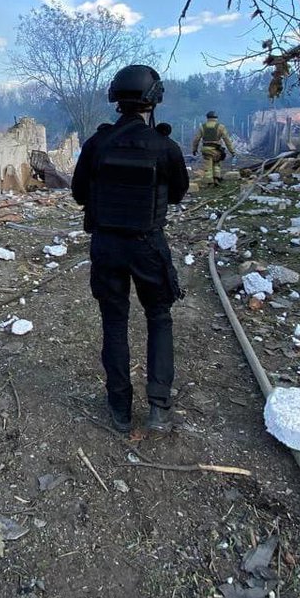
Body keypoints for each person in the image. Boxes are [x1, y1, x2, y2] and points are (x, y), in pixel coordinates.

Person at [72, 65, 190, 434]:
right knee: (159, 318)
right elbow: (177, 194)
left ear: (116, 100)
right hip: (147, 245)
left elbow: (78, 194)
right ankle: (158, 409)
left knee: (114, 321)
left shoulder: (96, 144)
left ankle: (120, 409)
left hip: (106, 245)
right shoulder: (165, 146)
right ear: (153, 100)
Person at [191, 111, 235, 186]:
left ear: (207, 118)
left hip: (206, 149)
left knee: (208, 166)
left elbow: (196, 139)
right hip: (216, 150)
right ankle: (216, 178)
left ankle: (209, 181)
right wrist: (232, 151)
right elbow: (227, 140)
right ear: (216, 118)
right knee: (217, 164)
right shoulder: (221, 127)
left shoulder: (202, 127)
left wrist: (194, 149)